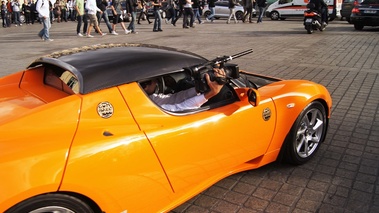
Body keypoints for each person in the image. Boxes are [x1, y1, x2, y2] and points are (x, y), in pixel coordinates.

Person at [142, 68, 226, 112]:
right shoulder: (144, 108)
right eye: (155, 81)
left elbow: (172, 99)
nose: (157, 83)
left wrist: (198, 89)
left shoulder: (149, 99)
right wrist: (211, 93)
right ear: (145, 86)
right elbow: (178, 109)